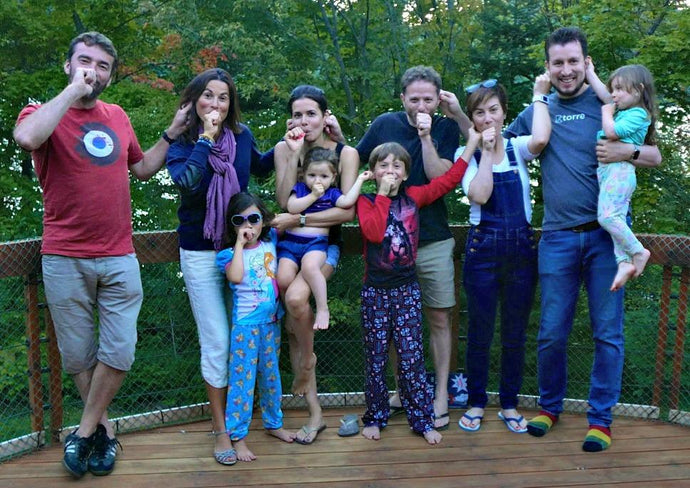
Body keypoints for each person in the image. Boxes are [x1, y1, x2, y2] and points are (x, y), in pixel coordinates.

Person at [12, 32, 188, 477]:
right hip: (63, 256)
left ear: (111, 75)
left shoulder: (118, 116)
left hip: (119, 255)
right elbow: (27, 138)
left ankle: (85, 431)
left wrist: (172, 133)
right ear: (68, 65)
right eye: (85, 61)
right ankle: (104, 433)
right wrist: (73, 92)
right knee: (77, 354)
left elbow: (143, 168)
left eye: (103, 65)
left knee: (120, 350)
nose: (93, 70)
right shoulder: (41, 113)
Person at [505, 26, 661, 452]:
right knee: (551, 333)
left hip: (605, 241)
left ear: (585, 62)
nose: (566, 70)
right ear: (548, 66)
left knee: (607, 333)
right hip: (556, 238)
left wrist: (627, 152)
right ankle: (549, 407)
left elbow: (655, 155)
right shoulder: (540, 108)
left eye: (573, 61)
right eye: (558, 62)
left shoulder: (611, 103)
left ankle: (601, 420)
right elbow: (497, 142)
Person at [165, 68, 273, 464]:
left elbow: (261, 167)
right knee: (217, 343)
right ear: (195, 100)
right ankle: (221, 430)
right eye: (208, 96)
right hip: (199, 253)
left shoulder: (242, 137)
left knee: (243, 339)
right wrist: (206, 140)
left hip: (239, 250)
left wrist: (295, 140)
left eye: (223, 97)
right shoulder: (182, 142)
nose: (215, 103)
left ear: (231, 103)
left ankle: (242, 423)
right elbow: (188, 182)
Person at [353, 66, 470, 430]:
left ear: (438, 99)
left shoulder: (446, 127)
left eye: (428, 99)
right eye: (414, 98)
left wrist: (426, 135)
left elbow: (441, 177)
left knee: (439, 318)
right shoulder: (383, 124)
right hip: (388, 248)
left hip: (432, 238)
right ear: (402, 97)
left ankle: (439, 394)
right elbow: (353, 159)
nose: (421, 105)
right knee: (391, 324)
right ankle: (403, 391)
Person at [455, 75, 551, 434]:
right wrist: (483, 151)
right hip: (482, 253)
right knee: (479, 332)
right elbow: (479, 195)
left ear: (504, 112)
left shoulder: (517, 147)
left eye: (493, 110)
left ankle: (509, 403)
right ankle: (477, 402)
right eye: (479, 113)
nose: (488, 118)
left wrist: (539, 96)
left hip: (521, 252)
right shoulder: (464, 155)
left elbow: (541, 139)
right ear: (472, 119)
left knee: (515, 334)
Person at [272, 85, 360, 444]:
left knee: (296, 301)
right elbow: (282, 200)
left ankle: (307, 363)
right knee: (295, 320)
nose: (303, 121)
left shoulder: (345, 153)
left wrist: (301, 220)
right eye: (297, 114)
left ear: (325, 117)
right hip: (288, 247)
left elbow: (347, 212)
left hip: (324, 247)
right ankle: (315, 414)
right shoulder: (283, 149)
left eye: (311, 113)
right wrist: (293, 155)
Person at [215, 192, 295, 462]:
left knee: (271, 377)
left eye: (254, 218)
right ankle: (237, 437)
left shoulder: (271, 242)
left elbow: (289, 219)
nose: (247, 225)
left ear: (263, 220)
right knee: (243, 381)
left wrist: (270, 221)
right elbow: (236, 277)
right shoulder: (227, 255)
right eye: (240, 220)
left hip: (271, 323)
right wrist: (240, 243)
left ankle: (274, 424)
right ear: (232, 225)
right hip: (245, 328)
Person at [278, 146, 370, 330]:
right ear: (303, 175)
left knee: (310, 267)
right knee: (283, 278)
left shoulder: (332, 194)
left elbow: (347, 202)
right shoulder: (300, 190)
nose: (317, 181)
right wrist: (313, 196)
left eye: (324, 176)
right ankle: (288, 313)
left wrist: (360, 179)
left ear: (333, 177)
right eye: (312, 175)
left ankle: (322, 308)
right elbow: (292, 207)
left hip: (315, 245)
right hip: (290, 245)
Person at [586, 63, 655, 291]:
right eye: (613, 89)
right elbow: (606, 95)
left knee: (607, 217)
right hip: (608, 172)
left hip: (620, 171)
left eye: (619, 89)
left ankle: (638, 251)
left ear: (638, 90)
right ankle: (623, 261)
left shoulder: (638, 113)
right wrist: (590, 73)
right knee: (616, 219)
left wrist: (606, 113)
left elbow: (612, 132)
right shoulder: (625, 109)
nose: (613, 95)